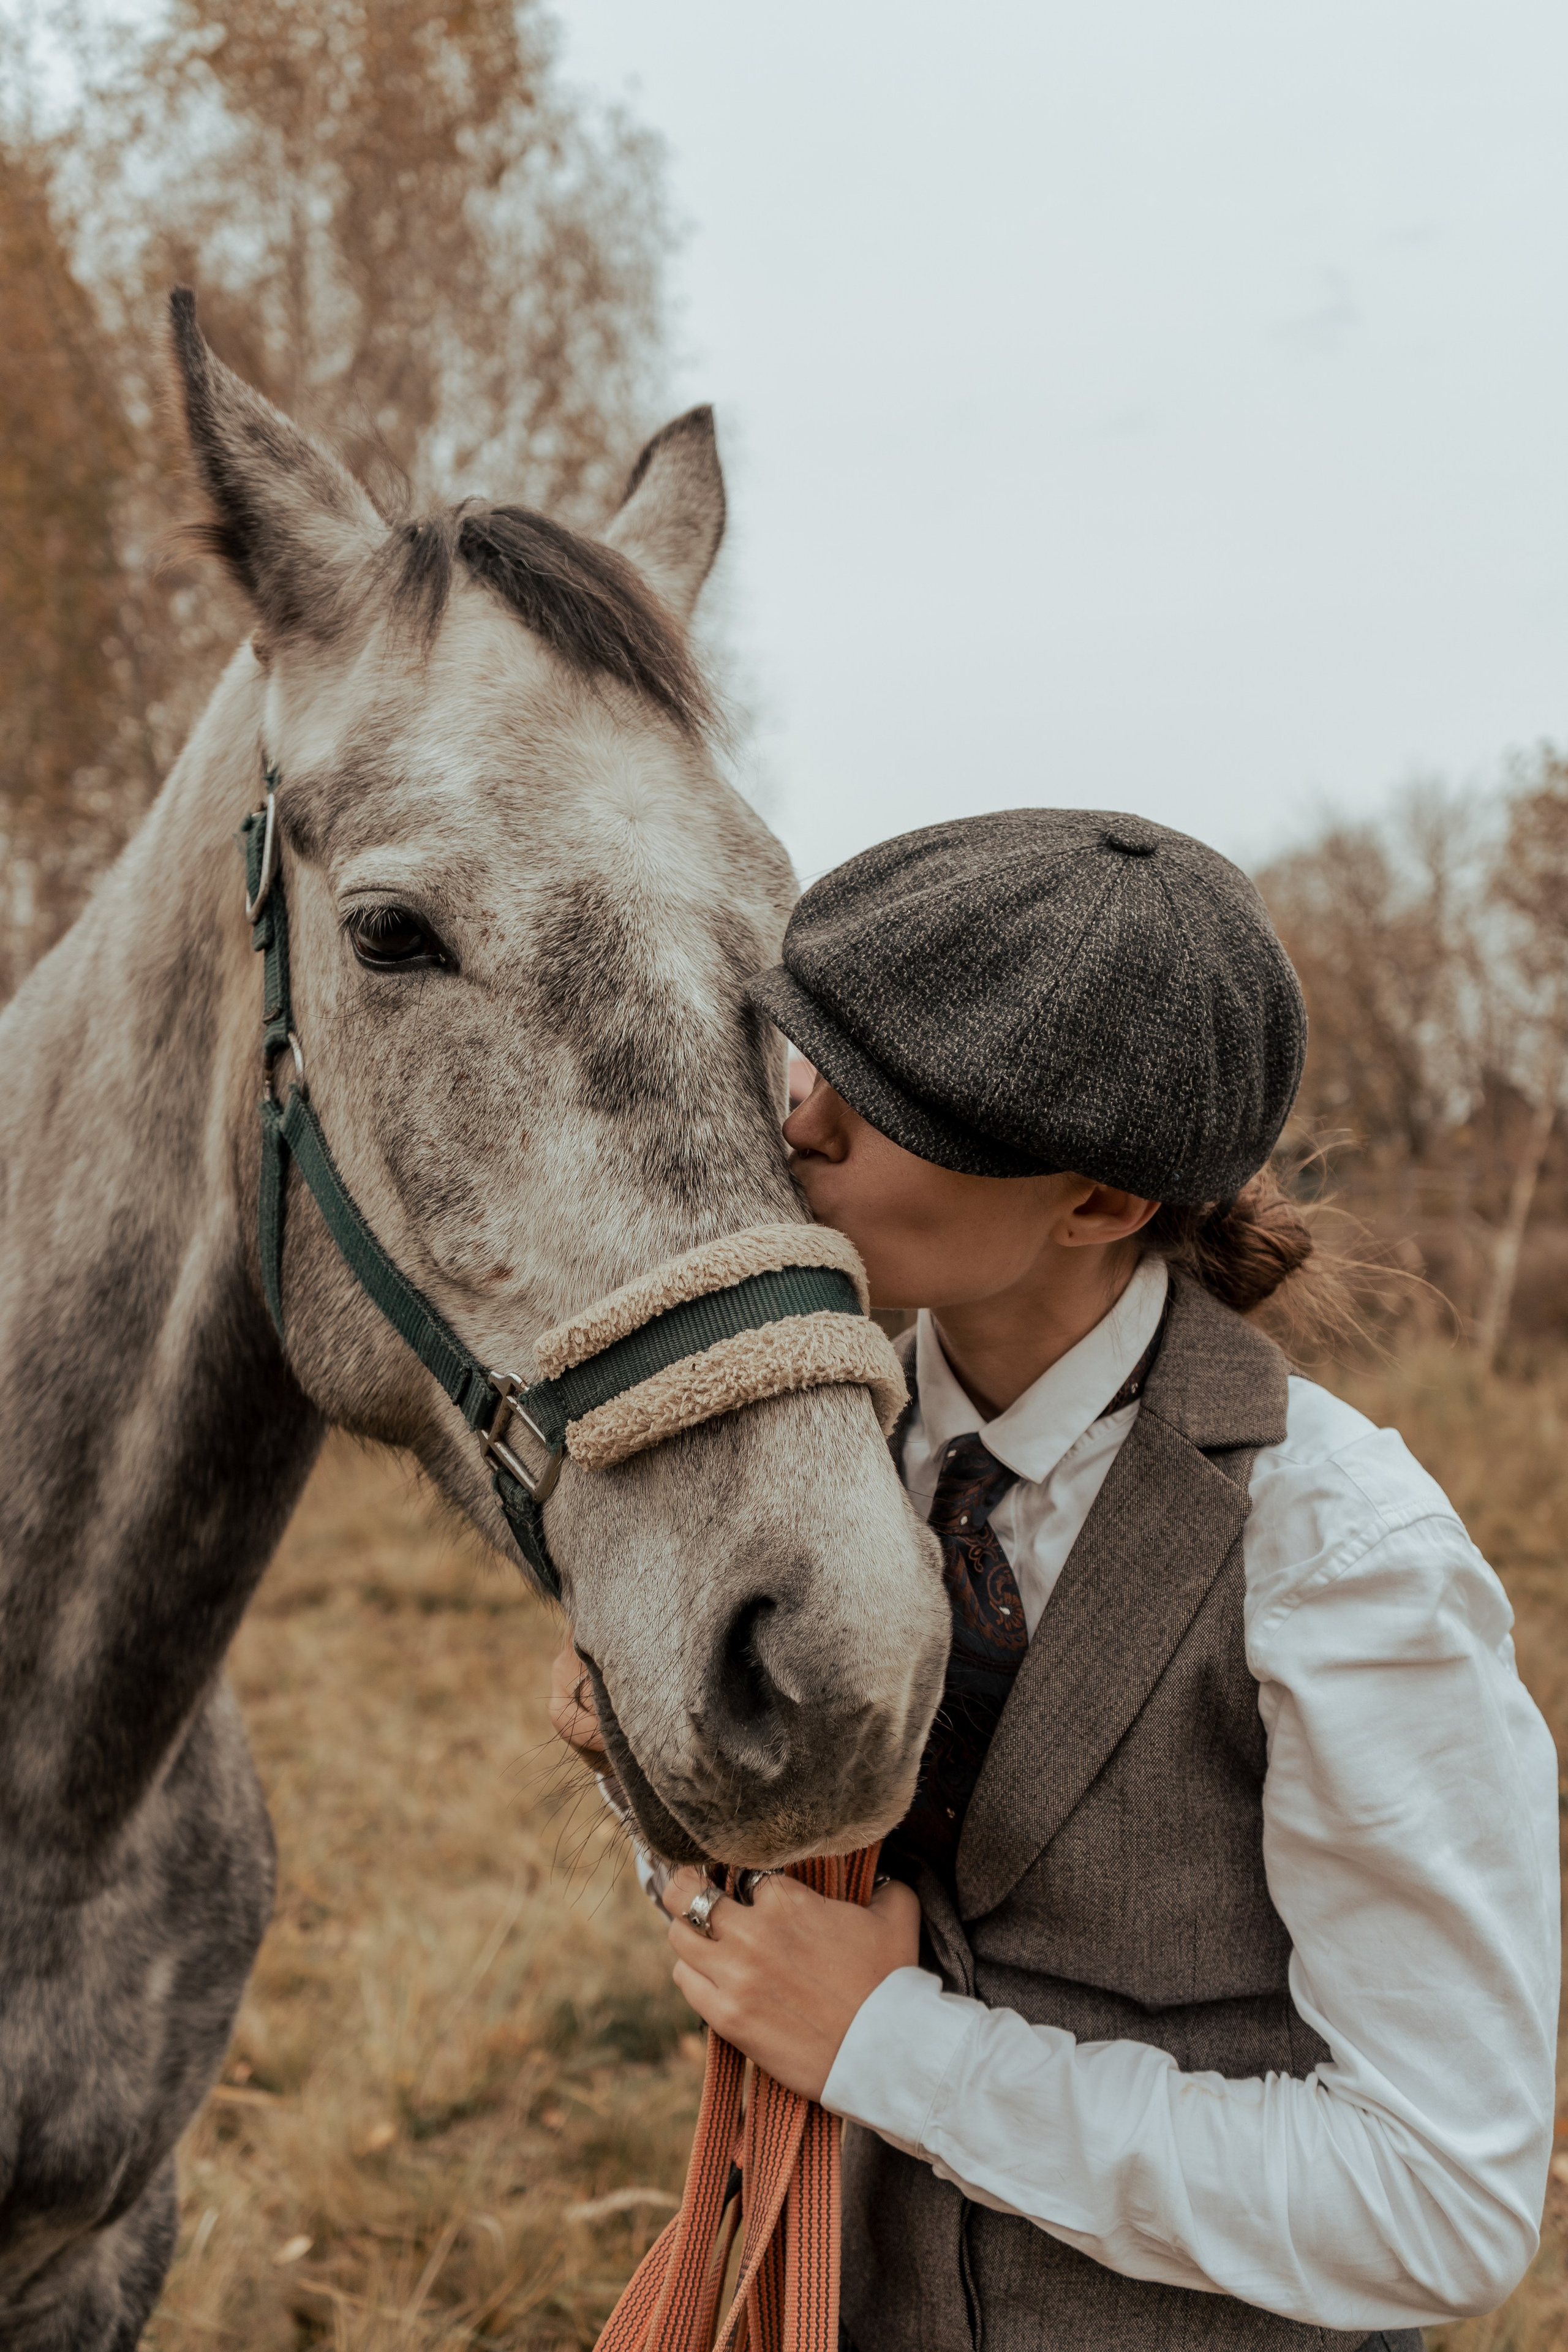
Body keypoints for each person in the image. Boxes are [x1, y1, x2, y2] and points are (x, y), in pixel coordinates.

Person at [549, 809, 1558, 2351]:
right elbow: (781, 1941)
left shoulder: (1343, 1558)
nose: (797, 1128)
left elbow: (1437, 2203)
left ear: (1098, 1204)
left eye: (889, 1108)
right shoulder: (820, 1465)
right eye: (804, 1060)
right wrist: (664, 1784)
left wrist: (900, 2050)